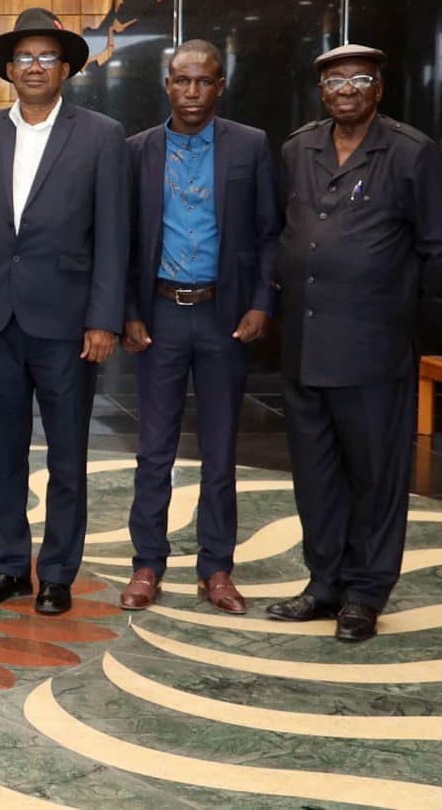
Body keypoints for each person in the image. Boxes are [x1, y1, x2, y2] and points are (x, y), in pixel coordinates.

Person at [267, 43, 442, 642]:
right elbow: (282, 229)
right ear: (321, 92)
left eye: (359, 79)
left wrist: (395, 306)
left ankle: (364, 593)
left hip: (373, 348)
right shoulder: (297, 149)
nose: (346, 89)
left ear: (379, 88)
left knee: (375, 476)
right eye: (335, 81)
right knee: (316, 474)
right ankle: (324, 583)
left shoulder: (410, 151)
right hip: (304, 342)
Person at [0, 7, 128, 615]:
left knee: (67, 453)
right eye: (24, 57)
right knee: (2, 450)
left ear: (65, 67)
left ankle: (60, 572)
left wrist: (104, 318)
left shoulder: (101, 134)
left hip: (68, 322)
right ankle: (11, 566)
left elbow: (114, 235)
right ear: (9, 70)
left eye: (47, 56)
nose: (35, 66)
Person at [119, 39, 280, 615]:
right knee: (154, 450)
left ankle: (216, 567)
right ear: (167, 84)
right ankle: (147, 563)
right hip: (159, 315)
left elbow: (269, 232)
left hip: (223, 316)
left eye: (204, 81)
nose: (192, 91)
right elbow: (123, 240)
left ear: (220, 86)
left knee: (219, 449)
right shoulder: (137, 150)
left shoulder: (250, 145)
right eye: (182, 80)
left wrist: (261, 302)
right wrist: (129, 312)